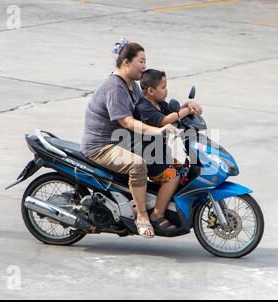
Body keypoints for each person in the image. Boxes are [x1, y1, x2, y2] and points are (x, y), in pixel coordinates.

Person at [81, 38, 178, 238]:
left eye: (145, 61)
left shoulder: (131, 86)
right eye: (141, 61)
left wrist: (186, 109)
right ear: (126, 62)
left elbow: (150, 108)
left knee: (165, 159)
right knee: (138, 165)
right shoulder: (114, 87)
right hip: (101, 146)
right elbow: (127, 122)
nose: (145, 66)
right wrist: (157, 132)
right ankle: (142, 216)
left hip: (120, 140)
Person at [134, 69, 202, 231]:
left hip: (157, 152)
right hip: (146, 155)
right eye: (163, 87)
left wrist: (189, 105)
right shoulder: (144, 107)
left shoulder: (158, 104)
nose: (166, 91)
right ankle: (157, 215)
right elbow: (166, 120)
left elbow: (173, 112)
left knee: (183, 166)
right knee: (173, 177)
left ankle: (168, 204)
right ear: (151, 91)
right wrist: (185, 111)